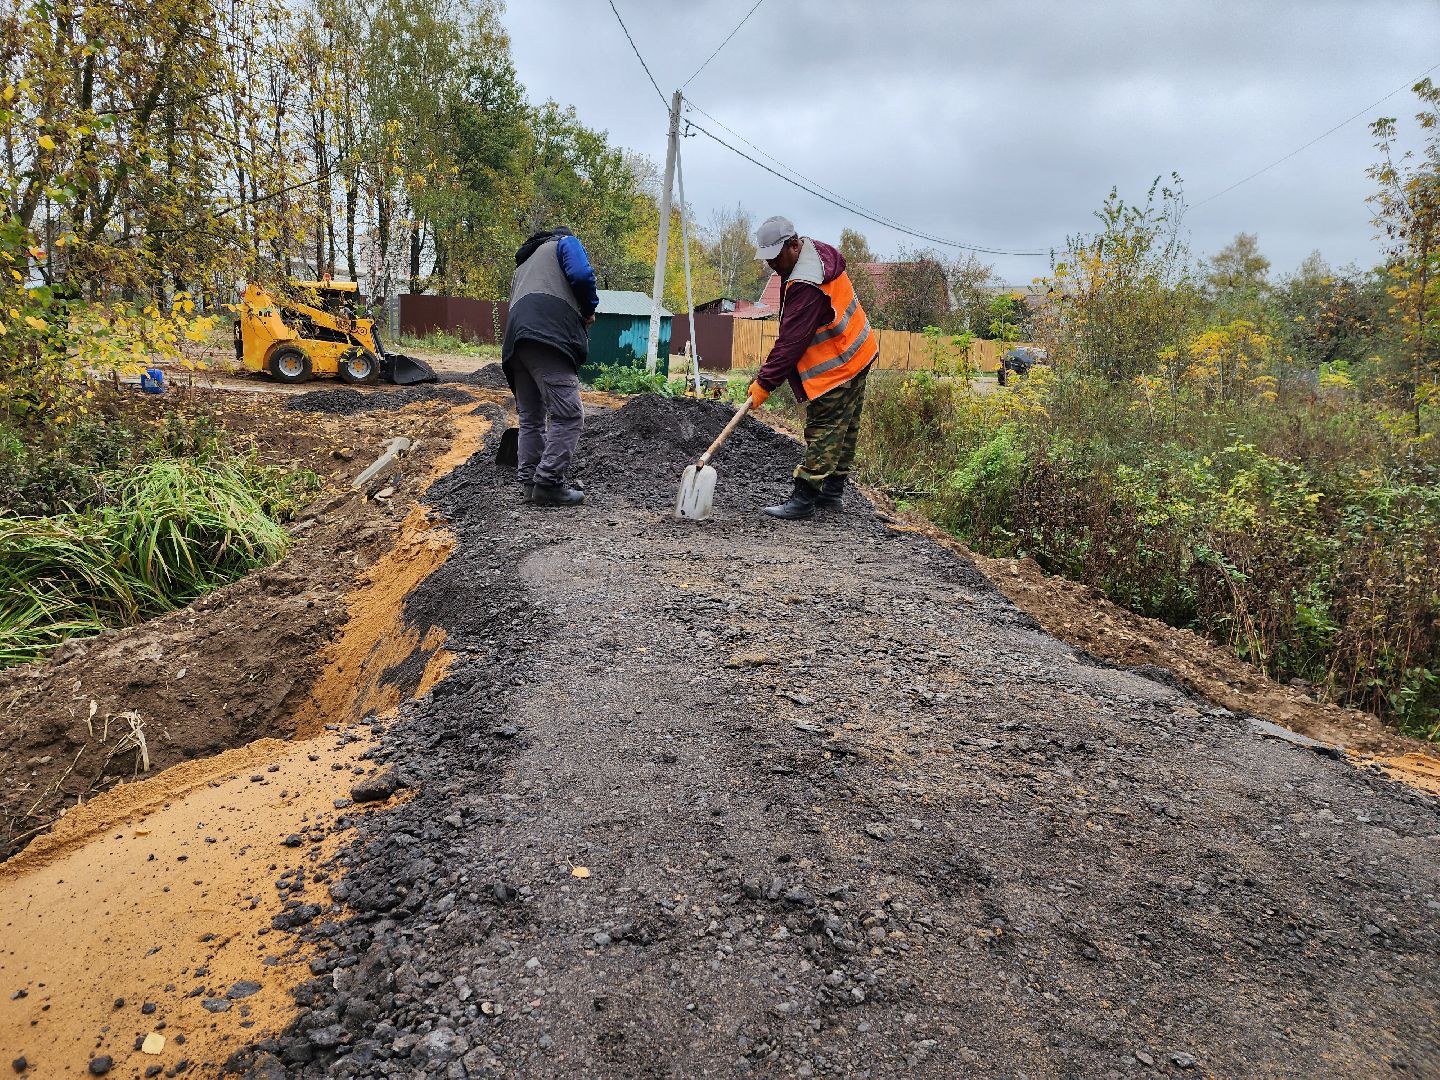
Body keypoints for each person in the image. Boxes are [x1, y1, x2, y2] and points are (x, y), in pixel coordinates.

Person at [746, 215, 878, 520]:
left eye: (775, 257)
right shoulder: (815, 253)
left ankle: (804, 499)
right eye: (767, 259)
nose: (772, 265)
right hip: (859, 350)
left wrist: (764, 383)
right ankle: (832, 493)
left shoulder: (807, 282)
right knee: (846, 428)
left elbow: (791, 342)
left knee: (825, 429)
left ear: (793, 245)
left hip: (839, 364)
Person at [501, 226, 599, 507]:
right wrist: (589, 308)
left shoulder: (523, 263)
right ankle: (549, 482)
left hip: (516, 340)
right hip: (548, 334)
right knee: (569, 415)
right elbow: (581, 275)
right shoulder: (565, 242)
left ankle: (531, 484)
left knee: (531, 417)